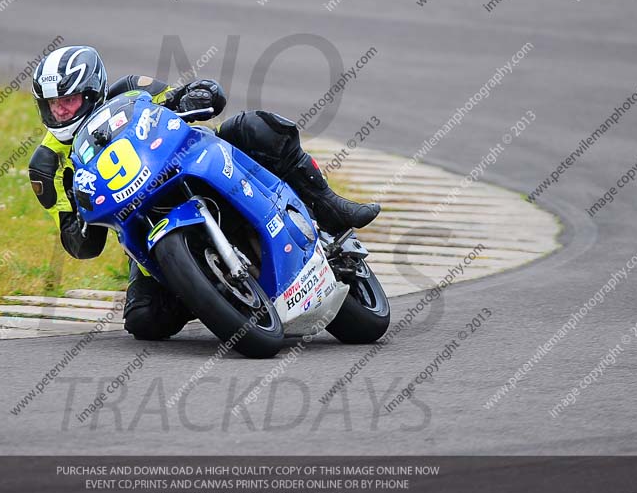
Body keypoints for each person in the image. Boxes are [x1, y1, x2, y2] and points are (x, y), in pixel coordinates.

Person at [28, 45, 380, 340]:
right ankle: (208, 290)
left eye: (69, 101)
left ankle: (330, 206)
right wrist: (76, 215)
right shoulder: (47, 166)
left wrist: (199, 92)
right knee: (144, 320)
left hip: (192, 164)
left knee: (255, 128)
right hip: (143, 224)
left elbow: (195, 95)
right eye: (51, 104)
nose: (59, 111)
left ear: (93, 91)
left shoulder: (132, 90)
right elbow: (81, 246)